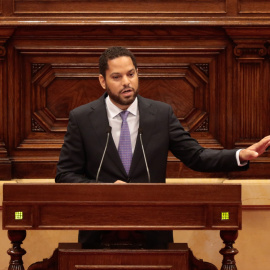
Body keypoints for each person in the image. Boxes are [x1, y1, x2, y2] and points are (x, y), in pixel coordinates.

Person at [55, 46, 270, 249]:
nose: (126, 82)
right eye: (117, 77)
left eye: (131, 74)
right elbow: (65, 175)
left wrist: (240, 155)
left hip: (154, 230)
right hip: (99, 231)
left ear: (138, 73)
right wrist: (103, 188)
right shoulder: (82, 118)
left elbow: (196, 156)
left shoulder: (160, 114)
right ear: (102, 81)